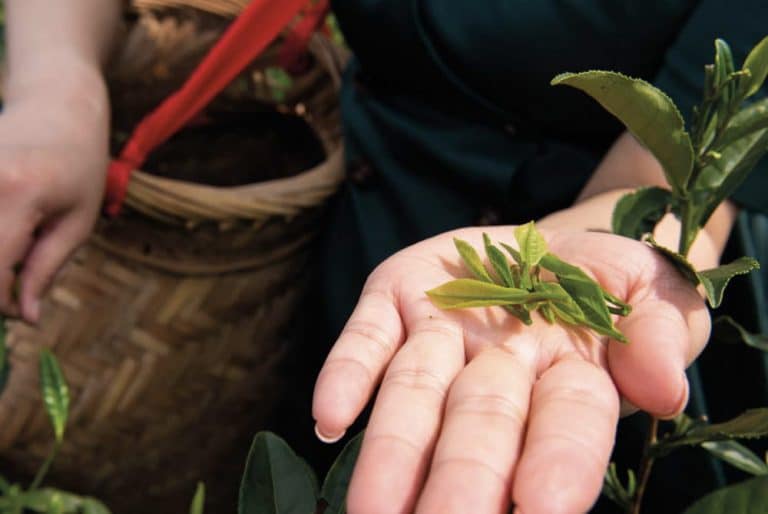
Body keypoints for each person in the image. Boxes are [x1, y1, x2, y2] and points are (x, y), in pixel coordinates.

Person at [0, 1, 765, 514]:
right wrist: (58, 87)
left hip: (594, 310)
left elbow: (669, 186)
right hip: (367, 250)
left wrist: (624, 250)